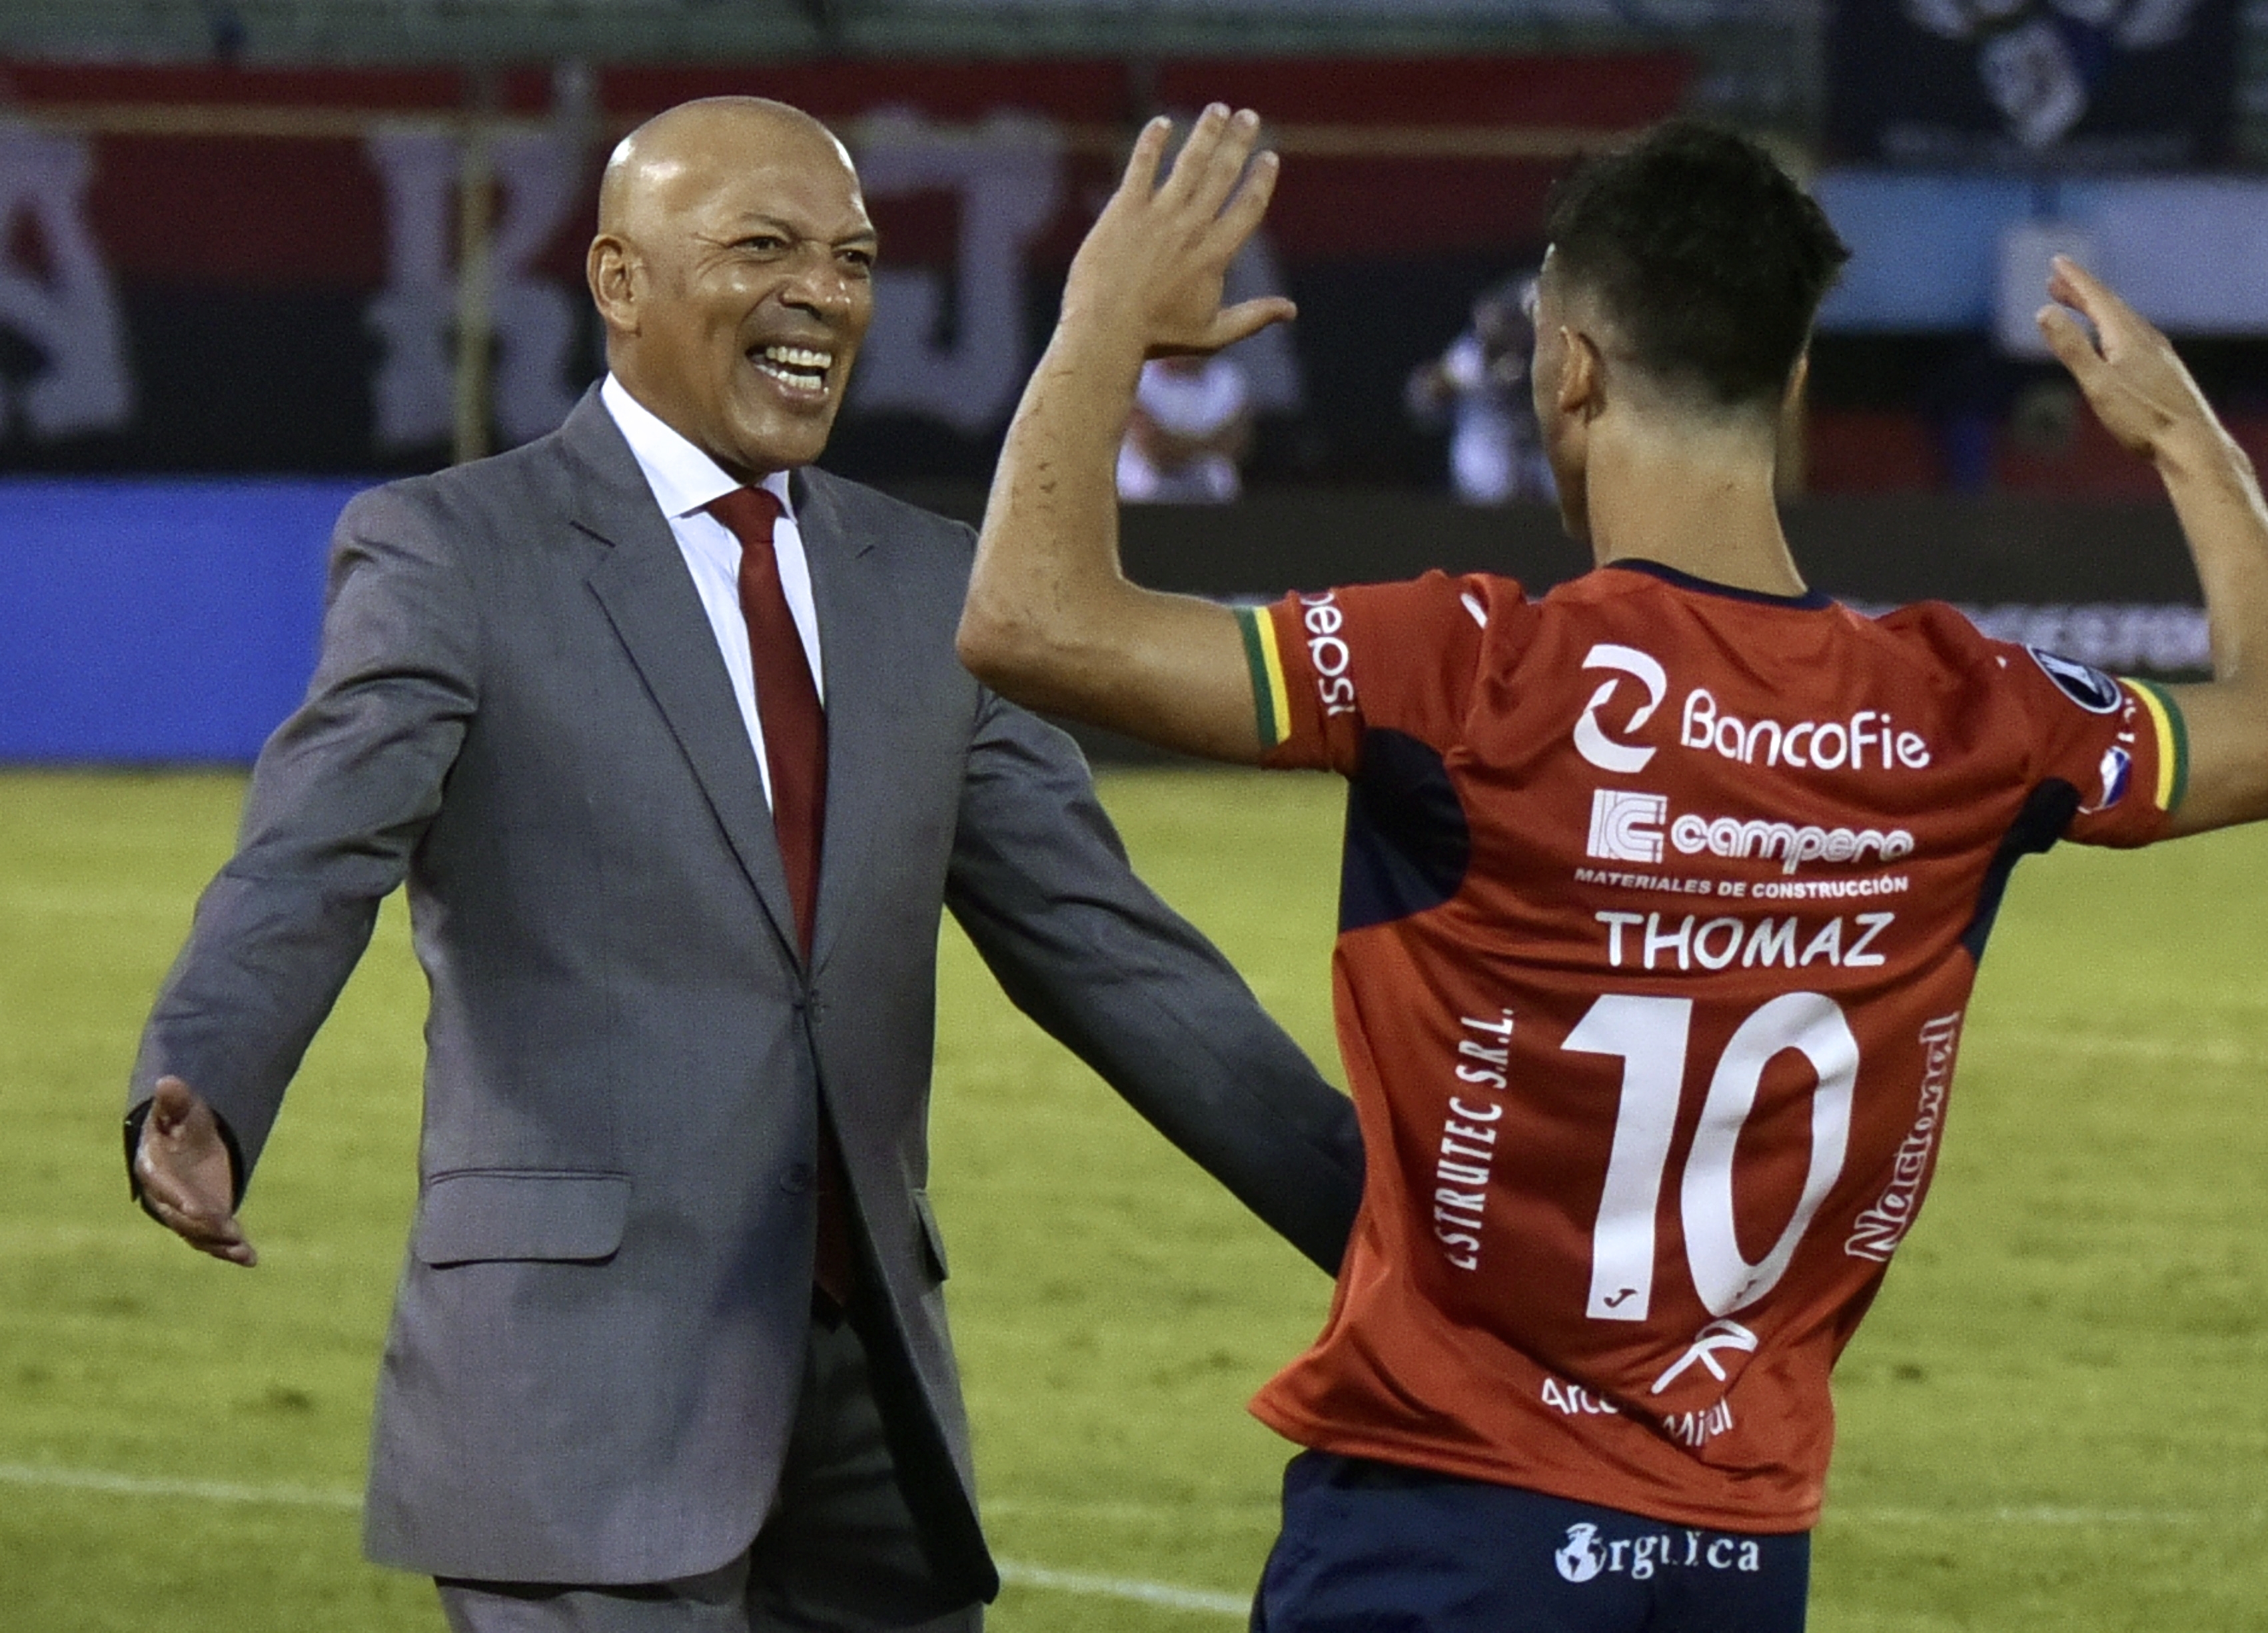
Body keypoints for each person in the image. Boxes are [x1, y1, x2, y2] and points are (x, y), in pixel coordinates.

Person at [956, 111, 2268, 1631]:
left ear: (1569, 370)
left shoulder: (1473, 672)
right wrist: (2182, 438)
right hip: (1733, 1550)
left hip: (1445, 1521)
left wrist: (1101, 315)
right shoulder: (1967, 711)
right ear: (1794, 380)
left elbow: (1034, 621)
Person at [123, 96, 1364, 1633]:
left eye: (851, 260)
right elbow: (309, 853)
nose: (825, 295)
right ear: (618, 280)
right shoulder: (454, 551)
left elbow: (1116, 959)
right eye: (763, 248)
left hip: (868, 1418)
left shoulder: (928, 589)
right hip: (574, 1399)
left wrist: (1404, 1234)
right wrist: (209, 1077)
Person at [1405, 272, 1556, 505]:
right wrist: (1453, 379)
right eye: (1511, 319)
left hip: (1540, 461)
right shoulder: (1471, 354)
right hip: (1488, 464)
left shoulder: (1555, 349)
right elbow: (1424, 402)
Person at [1117, 352, 1253, 502]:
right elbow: (1155, 449)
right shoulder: (1130, 376)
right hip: (1146, 501)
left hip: (1214, 500)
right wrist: (1212, 441)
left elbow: (1238, 444)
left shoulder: (1227, 377)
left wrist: (1175, 441)